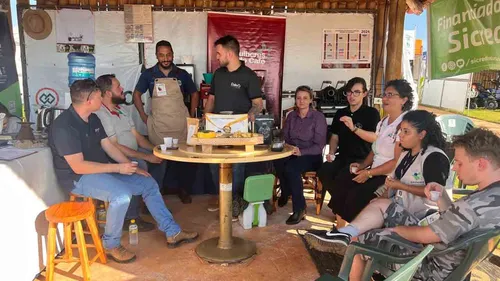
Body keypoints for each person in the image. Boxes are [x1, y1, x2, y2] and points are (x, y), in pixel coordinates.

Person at [313, 128, 500, 281]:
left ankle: (351, 241)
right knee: (386, 205)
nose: (454, 167)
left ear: (481, 164)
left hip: (429, 267)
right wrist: (442, 196)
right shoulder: (491, 195)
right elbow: (457, 220)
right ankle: (348, 232)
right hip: (452, 260)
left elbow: (425, 235)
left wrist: (394, 231)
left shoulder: (470, 206)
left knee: (361, 241)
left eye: (458, 163)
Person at [49, 79, 198, 263]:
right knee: (121, 195)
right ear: (89, 100)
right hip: (78, 178)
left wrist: (130, 166)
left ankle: (172, 232)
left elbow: (109, 148)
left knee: (148, 183)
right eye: (98, 96)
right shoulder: (64, 126)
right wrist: (119, 168)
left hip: (102, 171)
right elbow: (79, 166)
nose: (101, 99)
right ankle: (111, 245)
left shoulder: (93, 118)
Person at [306, 110, 450, 253]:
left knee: (374, 207)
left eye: (406, 132)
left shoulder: (434, 158)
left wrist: (399, 187)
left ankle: (345, 235)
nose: (400, 135)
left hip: (424, 220)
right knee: (372, 203)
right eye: (400, 131)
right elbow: (393, 183)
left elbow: (435, 194)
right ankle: (345, 236)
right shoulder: (406, 154)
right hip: (403, 210)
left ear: (422, 134)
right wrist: (380, 197)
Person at [327, 79, 414, 224]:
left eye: (391, 95)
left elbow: (396, 162)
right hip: (374, 171)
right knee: (343, 183)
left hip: (389, 177)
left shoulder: (404, 125)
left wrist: (368, 173)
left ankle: (352, 233)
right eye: (385, 94)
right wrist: (362, 166)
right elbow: (375, 150)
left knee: (356, 195)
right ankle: (340, 232)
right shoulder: (384, 121)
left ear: (404, 99)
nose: (385, 98)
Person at [95, 74, 167, 231]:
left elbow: (138, 137)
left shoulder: (121, 110)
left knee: (161, 160)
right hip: (113, 157)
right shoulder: (101, 114)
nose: (122, 90)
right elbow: (114, 146)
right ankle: (131, 217)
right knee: (139, 165)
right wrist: (146, 156)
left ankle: (150, 202)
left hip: (133, 151)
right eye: (118, 87)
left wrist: (156, 150)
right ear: (108, 93)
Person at [133, 40, 200, 203]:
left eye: (168, 54)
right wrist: (143, 116)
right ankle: (156, 194)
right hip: (159, 126)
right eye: (162, 55)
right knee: (158, 162)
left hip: (180, 125)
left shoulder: (182, 74)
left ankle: (184, 191)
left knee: (183, 161)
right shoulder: (148, 74)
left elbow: (195, 94)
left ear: (173, 54)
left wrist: (191, 116)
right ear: (156, 56)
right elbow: (136, 94)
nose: (165, 58)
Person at [203, 35, 264, 213]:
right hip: (216, 130)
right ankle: (223, 198)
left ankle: (235, 200)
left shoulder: (249, 76)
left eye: (218, 53)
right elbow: (211, 99)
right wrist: (204, 119)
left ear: (229, 53)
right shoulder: (218, 74)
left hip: (239, 132)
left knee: (237, 168)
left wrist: (249, 117)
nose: (216, 57)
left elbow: (258, 104)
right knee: (214, 165)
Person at [316, 77, 380, 213]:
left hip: (362, 159)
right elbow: (334, 136)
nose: (352, 96)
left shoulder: (371, 113)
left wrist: (354, 128)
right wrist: (332, 152)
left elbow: (374, 138)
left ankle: (341, 211)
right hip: (342, 156)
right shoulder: (341, 112)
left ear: (364, 93)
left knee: (343, 177)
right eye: (349, 92)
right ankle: (343, 205)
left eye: (357, 92)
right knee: (325, 170)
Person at [274, 85, 327, 224]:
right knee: (276, 161)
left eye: (305, 98)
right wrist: (287, 147)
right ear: (295, 100)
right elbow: (286, 136)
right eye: (298, 98)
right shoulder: (292, 116)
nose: (301, 101)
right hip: (293, 152)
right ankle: (286, 191)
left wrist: (301, 151)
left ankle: (299, 208)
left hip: (311, 155)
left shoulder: (318, 117)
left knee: (291, 168)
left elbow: (319, 146)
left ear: (311, 100)